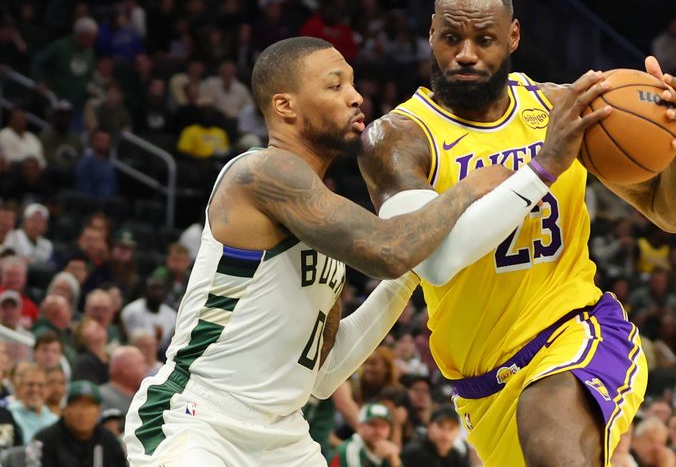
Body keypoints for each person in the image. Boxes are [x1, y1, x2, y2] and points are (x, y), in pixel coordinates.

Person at [358, 0, 676, 466]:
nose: (467, 54)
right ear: (431, 33)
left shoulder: (560, 108)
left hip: (577, 332)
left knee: (552, 445)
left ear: (513, 37)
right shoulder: (399, 138)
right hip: (482, 387)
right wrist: (544, 167)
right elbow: (431, 263)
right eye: (452, 38)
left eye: (485, 39)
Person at [123, 37, 509, 466]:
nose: (356, 96)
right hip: (199, 420)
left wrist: (410, 277)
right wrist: (469, 189)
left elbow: (322, 376)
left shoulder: (324, 226)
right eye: (335, 85)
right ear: (285, 106)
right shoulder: (262, 171)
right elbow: (389, 250)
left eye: (353, 84)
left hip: (284, 435)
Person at [30, 380, 126, 467]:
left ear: (98, 411)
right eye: (78, 405)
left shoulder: (108, 440)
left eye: (89, 406)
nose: (83, 413)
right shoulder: (44, 441)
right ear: (64, 409)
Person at [330, 402, 401, 467]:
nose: (378, 431)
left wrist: (394, 460)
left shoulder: (387, 451)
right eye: (373, 424)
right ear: (360, 426)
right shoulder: (350, 451)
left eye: (383, 426)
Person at [400, 405, 470, 467]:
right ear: (429, 426)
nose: (445, 434)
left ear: (457, 432)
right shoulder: (414, 453)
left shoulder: (456, 456)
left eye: (451, 428)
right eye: (441, 426)